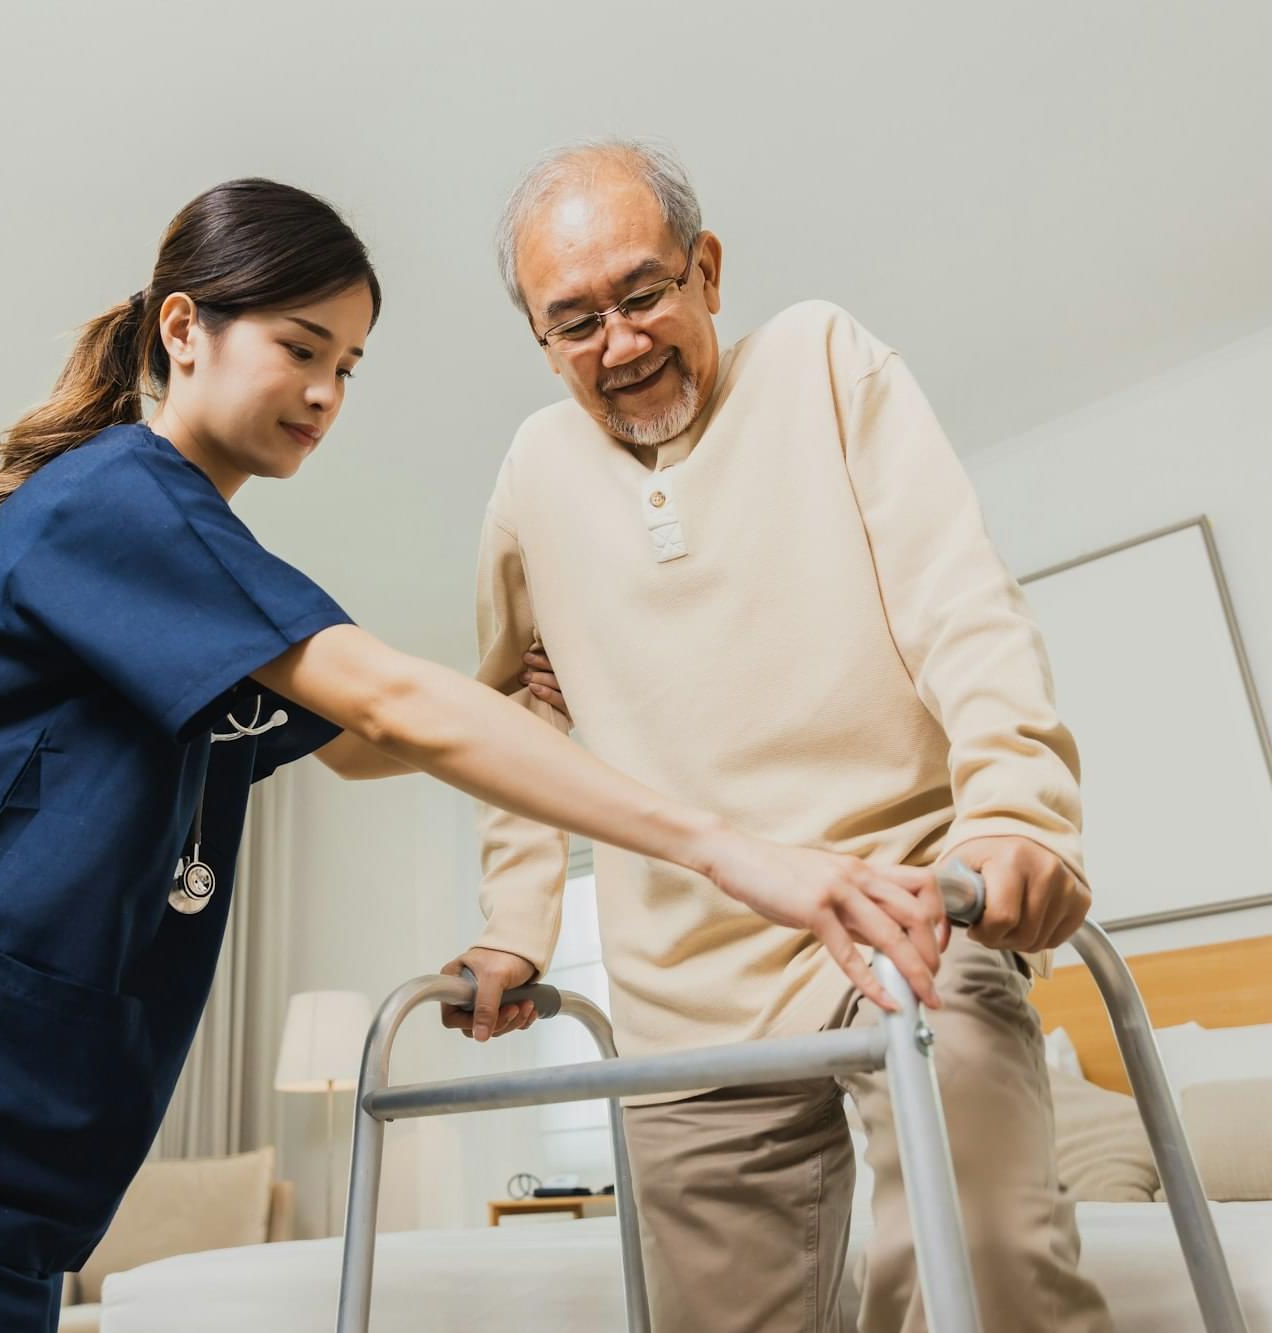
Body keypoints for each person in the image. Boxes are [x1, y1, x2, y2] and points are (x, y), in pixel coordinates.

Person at [0, 176, 951, 1332]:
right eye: (299, 349)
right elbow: (390, 707)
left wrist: (522, 686)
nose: (327, 395)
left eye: (348, 364)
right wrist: (734, 852)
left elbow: (350, 746)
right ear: (182, 328)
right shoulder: (117, 502)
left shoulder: (185, 556)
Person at [442, 141, 1113, 1331]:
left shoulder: (818, 360)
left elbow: (958, 601)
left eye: (643, 293)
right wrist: (514, 930)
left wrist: (1015, 811)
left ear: (704, 271)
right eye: (575, 321)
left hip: (897, 914)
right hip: (681, 991)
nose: (621, 343)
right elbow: (512, 707)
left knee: (988, 1258)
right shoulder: (533, 472)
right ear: (541, 343)